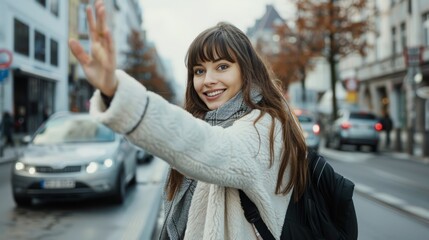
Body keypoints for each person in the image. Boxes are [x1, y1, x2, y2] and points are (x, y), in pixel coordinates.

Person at [69, 1, 308, 239]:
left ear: (247, 71)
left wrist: (117, 91)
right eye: (199, 71)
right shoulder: (208, 121)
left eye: (222, 66)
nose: (208, 80)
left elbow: (208, 147)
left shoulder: (264, 127)